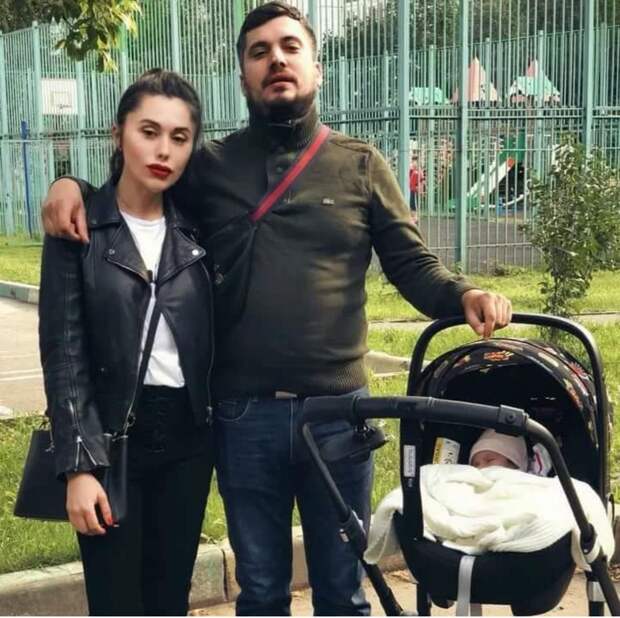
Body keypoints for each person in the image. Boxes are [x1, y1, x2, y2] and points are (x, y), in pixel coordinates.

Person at [40, 3, 512, 614]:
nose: (277, 60)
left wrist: (463, 294)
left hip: (339, 417)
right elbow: (137, 186)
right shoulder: (207, 168)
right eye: (259, 51)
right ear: (244, 76)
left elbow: (410, 263)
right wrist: (71, 187)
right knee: (260, 592)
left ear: (317, 66)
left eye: (290, 47)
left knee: (341, 591)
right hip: (242, 418)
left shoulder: (361, 164)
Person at [39, 69, 214, 615]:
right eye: (149, 131)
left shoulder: (199, 229)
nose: (163, 150)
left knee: (169, 600)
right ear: (118, 134)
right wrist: (79, 466)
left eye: (179, 137)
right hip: (112, 440)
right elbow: (64, 354)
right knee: (116, 602)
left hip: (187, 442)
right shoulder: (79, 228)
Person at [409, 154, 425, 222]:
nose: (413, 163)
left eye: (414, 161)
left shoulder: (419, 170)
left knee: (414, 203)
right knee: (411, 203)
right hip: (412, 189)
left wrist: (421, 188)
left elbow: (422, 179)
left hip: (416, 189)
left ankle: (415, 217)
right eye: (412, 161)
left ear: (417, 162)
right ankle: (414, 217)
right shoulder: (412, 170)